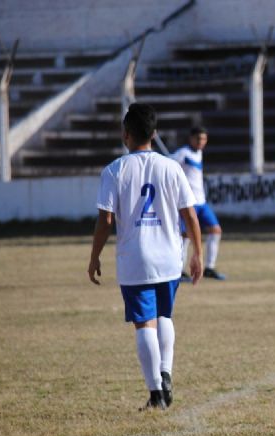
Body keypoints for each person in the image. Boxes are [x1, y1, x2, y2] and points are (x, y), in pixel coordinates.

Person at [88, 103, 204, 410]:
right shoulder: (171, 167)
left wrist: (94, 256)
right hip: (169, 256)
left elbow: (106, 220)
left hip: (135, 258)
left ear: (126, 134)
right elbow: (190, 215)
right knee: (164, 315)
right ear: (154, 134)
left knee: (144, 324)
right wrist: (198, 254)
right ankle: (165, 372)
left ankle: (156, 394)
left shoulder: (114, 170)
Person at [170, 126, 226, 280]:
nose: (201, 142)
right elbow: (168, 165)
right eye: (198, 139)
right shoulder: (183, 153)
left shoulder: (199, 153)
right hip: (189, 202)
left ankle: (209, 267)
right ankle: (179, 271)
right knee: (185, 235)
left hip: (202, 201)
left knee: (215, 230)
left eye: (204, 139)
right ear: (191, 138)